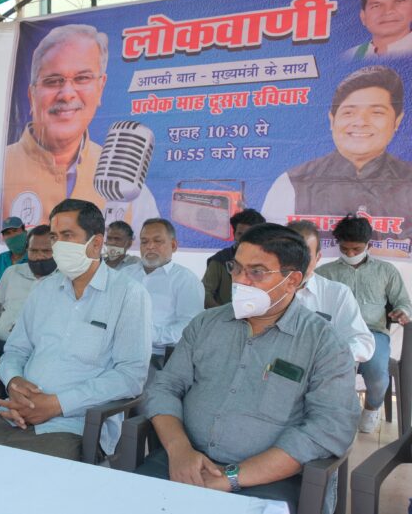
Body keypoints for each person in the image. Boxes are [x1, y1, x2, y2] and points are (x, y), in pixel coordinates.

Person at [136, 224, 360, 513]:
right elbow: (166, 387)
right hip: (184, 461)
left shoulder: (324, 344)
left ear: (292, 281)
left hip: (268, 478)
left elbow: (329, 427)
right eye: (236, 268)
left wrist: (231, 478)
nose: (240, 281)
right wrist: (179, 449)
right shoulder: (206, 325)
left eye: (256, 272)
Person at [0, 199, 151, 461]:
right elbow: (16, 350)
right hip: (12, 414)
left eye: (67, 235)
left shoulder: (129, 295)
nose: (58, 245)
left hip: (74, 426)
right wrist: (14, 382)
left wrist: (57, 404)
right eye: (55, 237)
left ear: (97, 243)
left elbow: (130, 376)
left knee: (25, 486)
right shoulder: (43, 290)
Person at [2, 23, 159, 228]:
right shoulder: (0, 169)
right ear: (32, 95)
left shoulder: (126, 186)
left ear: (101, 87)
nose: (67, 94)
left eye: (82, 78)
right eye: (53, 80)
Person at [261, 66, 412, 256]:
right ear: (332, 120)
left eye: (377, 112)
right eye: (349, 112)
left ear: (397, 121)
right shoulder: (292, 182)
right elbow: (270, 249)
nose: (360, 122)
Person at [316, 215, 411, 433]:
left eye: (356, 249)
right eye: (345, 249)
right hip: (337, 335)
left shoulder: (386, 271)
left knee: (378, 376)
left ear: (368, 244)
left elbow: (404, 301)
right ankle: (335, 418)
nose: (350, 254)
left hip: (374, 332)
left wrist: (402, 312)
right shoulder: (325, 273)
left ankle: (371, 408)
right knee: (332, 377)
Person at [287, 220, 375, 363]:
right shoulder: (264, 289)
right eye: (291, 253)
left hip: (321, 373)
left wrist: (331, 356)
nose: (298, 261)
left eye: (305, 255)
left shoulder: (337, 293)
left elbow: (362, 342)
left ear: (317, 257)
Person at [124, 219, 203, 369]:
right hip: (119, 352)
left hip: (161, 358)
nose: (150, 246)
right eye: (144, 241)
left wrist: (149, 335)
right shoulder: (125, 275)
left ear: (173, 245)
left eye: (157, 241)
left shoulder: (186, 280)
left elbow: (189, 328)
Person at [0, 224, 57, 371]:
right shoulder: (12, 273)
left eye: (46, 251)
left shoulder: (65, 281)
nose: (39, 256)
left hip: (37, 356)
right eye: (33, 251)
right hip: (0, 347)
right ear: (27, 250)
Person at [202, 209, 266, 308]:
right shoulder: (220, 260)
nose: (244, 238)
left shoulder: (269, 261)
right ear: (234, 235)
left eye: (250, 234)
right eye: (240, 234)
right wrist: (224, 315)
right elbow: (204, 293)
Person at [348, 0, 412, 59]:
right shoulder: (351, 55)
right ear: (363, 17)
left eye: (399, 2)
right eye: (376, 6)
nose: (388, 11)